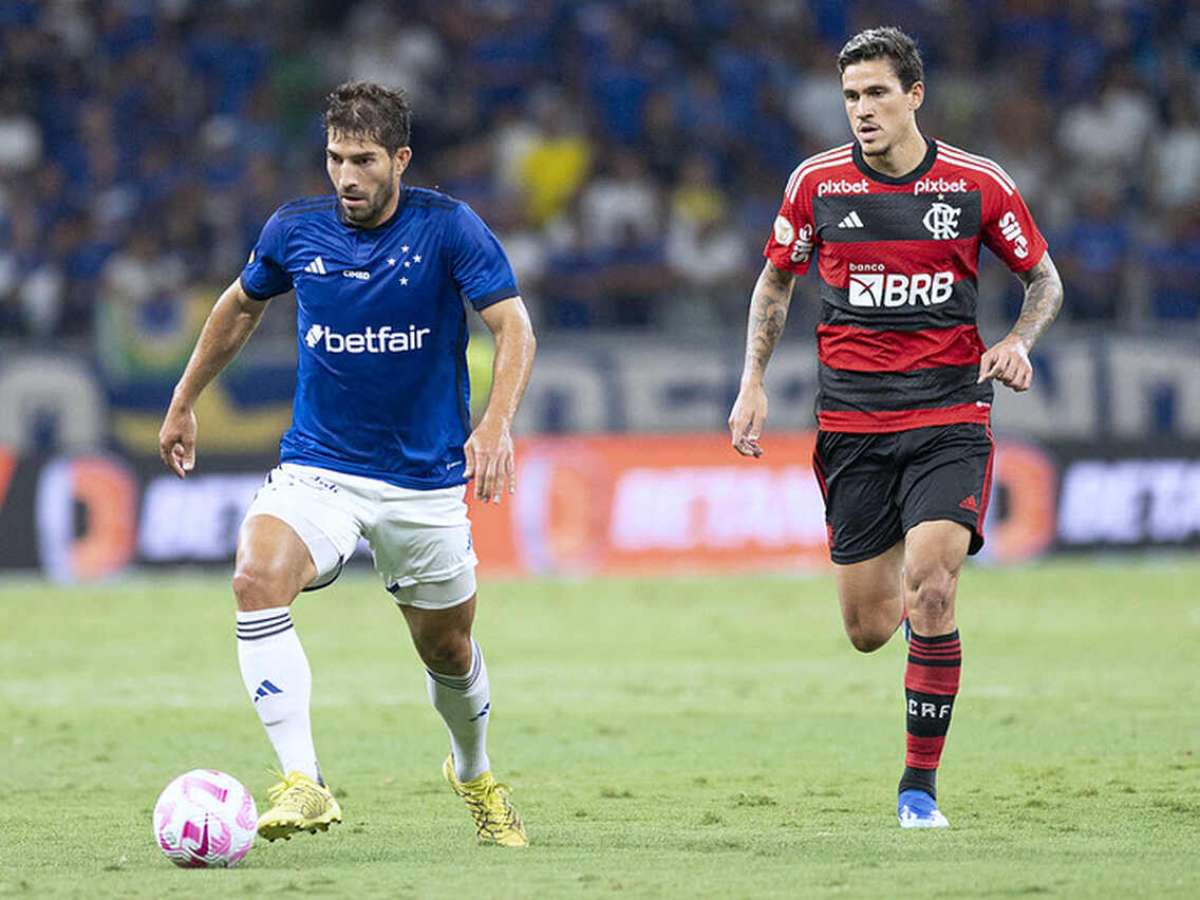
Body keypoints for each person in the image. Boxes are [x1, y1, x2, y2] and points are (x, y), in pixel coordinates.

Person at [158, 81, 536, 848]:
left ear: (400, 158)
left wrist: (496, 425)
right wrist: (185, 396)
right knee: (254, 578)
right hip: (319, 466)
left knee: (448, 649)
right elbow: (239, 306)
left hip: (424, 482)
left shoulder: (449, 228)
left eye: (363, 160)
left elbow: (514, 327)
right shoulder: (294, 231)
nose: (346, 177)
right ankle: (304, 781)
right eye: (334, 159)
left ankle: (474, 772)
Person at [728, 28, 1062, 829]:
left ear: (914, 95)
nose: (862, 110)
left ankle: (918, 791)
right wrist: (751, 385)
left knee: (934, 588)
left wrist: (1016, 341)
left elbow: (1042, 279)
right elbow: (775, 281)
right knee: (871, 628)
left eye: (877, 93)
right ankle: (919, 629)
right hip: (851, 423)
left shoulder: (978, 185)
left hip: (951, 413)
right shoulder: (817, 185)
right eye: (850, 97)